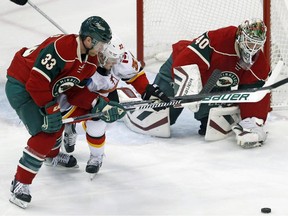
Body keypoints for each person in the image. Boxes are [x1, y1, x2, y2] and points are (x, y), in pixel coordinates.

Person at [6, 16, 126, 208]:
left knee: (59, 119)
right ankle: (20, 183)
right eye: (101, 44)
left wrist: (100, 104)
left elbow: (73, 90)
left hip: (45, 87)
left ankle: (51, 156)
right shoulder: (62, 49)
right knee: (47, 130)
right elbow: (35, 83)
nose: (103, 49)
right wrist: (51, 109)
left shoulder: (91, 60)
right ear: (88, 40)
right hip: (21, 85)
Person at [151, 18, 270, 148]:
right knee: (157, 119)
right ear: (240, 36)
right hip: (179, 68)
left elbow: (255, 92)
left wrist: (252, 121)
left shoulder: (258, 61)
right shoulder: (220, 39)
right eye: (249, 42)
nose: (253, 49)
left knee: (213, 125)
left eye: (257, 44)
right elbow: (187, 59)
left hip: (213, 83)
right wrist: (188, 91)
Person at [61, 34, 170, 178]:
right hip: (83, 96)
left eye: (117, 59)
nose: (115, 63)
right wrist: (93, 104)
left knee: (109, 123)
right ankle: (96, 157)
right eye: (112, 60)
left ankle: (74, 128)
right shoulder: (82, 63)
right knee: (96, 124)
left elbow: (135, 75)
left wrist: (147, 91)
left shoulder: (120, 58)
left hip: (107, 94)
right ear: (100, 55)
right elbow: (73, 92)